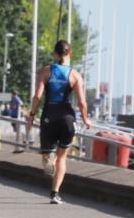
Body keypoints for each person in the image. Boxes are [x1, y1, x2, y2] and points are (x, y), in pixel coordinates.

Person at [25, 40, 92, 205]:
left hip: (49, 116)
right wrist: (85, 118)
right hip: (67, 119)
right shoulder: (75, 75)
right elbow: (82, 102)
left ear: (55, 54)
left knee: (47, 156)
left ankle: (49, 162)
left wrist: (32, 114)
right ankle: (55, 194)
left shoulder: (46, 72)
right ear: (70, 54)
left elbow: (37, 97)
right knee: (62, 157)